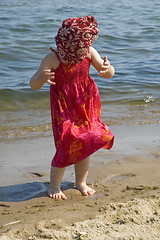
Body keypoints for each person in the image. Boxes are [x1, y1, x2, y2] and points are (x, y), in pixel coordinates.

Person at [30, 16, 115, 200]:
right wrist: (42, 79)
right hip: (63, 107)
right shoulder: (53, 58)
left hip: (85, 103)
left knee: (86, 140)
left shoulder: (89, 52)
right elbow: (33, 84)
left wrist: (107, 69)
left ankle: (80, 182)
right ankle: (54, 185)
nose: (82, 49)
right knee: (66, 142)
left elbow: (107, 73)